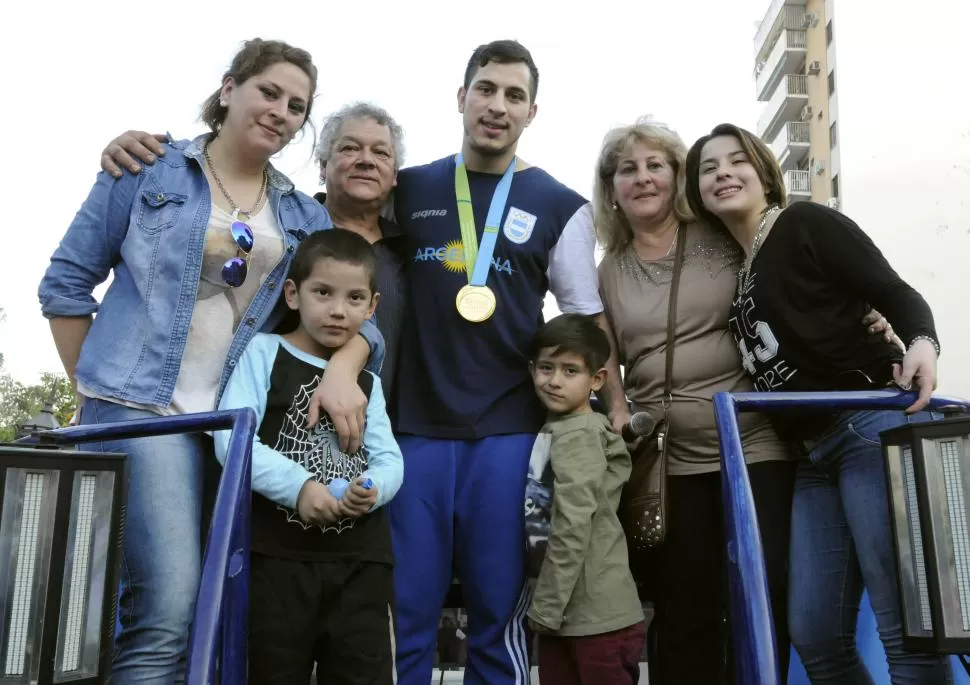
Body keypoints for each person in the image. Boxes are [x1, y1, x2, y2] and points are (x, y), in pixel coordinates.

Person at [38, 39, 384, 684]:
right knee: (165, 610)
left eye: (297, 106)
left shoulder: (301, 215)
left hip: (235, 429)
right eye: (269, 92)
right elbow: (64, 283)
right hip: (144, 415)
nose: (281, 111)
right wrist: (98, 400)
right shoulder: (148, 169)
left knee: (216, 616)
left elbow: (360, 321)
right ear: (230, 89)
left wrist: (342, 369)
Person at [685, 123, 950, 684]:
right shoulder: (739, 274)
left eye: (738, 161)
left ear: (764, 172)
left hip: (869, 425)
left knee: (905, 629)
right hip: (811, 455)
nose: (724, 173)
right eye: (709, 168)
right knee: (815, 635)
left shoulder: (804, 223)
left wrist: (923, 342)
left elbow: (894, 292)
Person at [388, 40, 605, 685]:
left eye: (514, 96)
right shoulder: (410, 187)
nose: (497, 106)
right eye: (486, 89)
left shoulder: (562, 206)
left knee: (496, 615)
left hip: (508, 433)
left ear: (532, 112)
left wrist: (607, 407)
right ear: (461, 98)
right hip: (412, 428)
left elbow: (584, 320)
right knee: (408, 611)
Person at [594, 117, 796, 684]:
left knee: (765, 594)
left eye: (656, 165)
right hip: (669, 462)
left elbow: (792, 289)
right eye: (627, 169)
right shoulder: (607, 271)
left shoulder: (721, 237)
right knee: (684, 608)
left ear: (678, 175)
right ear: (611, 187)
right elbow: (607, 357)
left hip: (754, 446)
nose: (643, 178)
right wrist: (614, 406)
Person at [214, 228, 403, 685]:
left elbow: (390, 459)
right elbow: (232, 440)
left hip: (361, 562)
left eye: (355, 298)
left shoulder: (368, 383)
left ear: (372, 307)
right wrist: (299, 487)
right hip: (276, 558)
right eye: (323, 292)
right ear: (294, 295)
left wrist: (372, 490)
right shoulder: (263, 353)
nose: (339, 310)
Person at [525, 313, 646, 685]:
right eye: (546, 368)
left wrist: (546, 605)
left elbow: (572, 524)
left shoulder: (579, 435)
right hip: (573, 617)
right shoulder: (561, 428)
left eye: (570, 371)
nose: (555, 381)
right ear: (532, 370)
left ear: (597, 379)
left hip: (593, 619)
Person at [312, 102, 410, 403]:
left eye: (381, 153)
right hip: (294, 426)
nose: (367, 161)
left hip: (390, 437)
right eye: (350, 148)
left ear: (394, 175)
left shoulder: (410, 252)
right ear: (323, 165)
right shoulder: (291, 232)